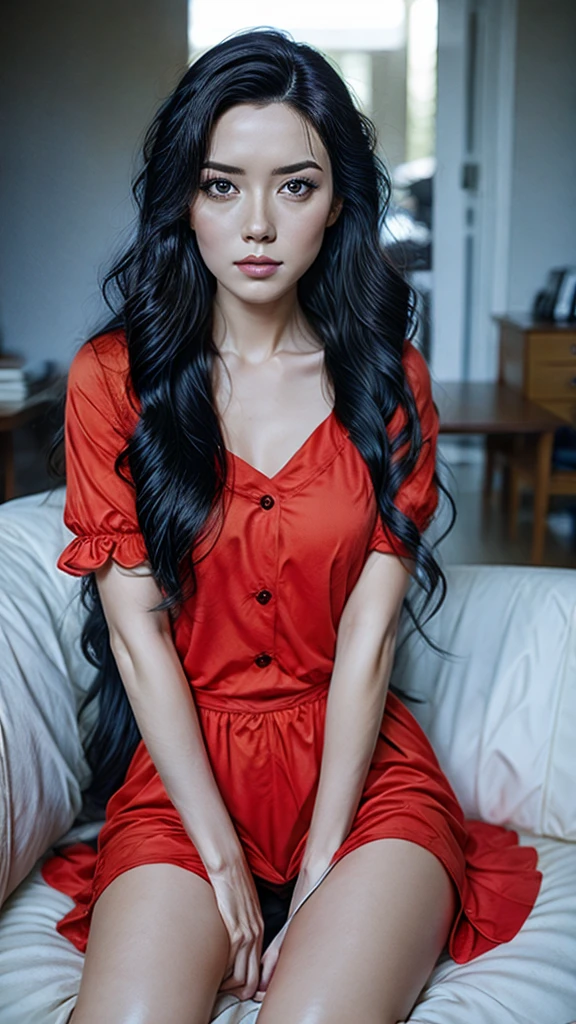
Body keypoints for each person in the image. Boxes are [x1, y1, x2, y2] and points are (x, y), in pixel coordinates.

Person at [42, 27, 542, 1024]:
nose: (258, 223)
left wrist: (318, 865)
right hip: (188, 785)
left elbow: (369, 639)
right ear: (185, 199)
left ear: (339, 205)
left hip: (362, 783)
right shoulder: (112, 380)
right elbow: (138, 634)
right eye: (223, 185)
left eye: (295, 186)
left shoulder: (388, 385)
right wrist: (220, 857)